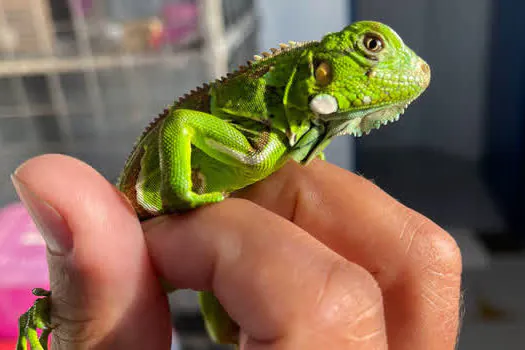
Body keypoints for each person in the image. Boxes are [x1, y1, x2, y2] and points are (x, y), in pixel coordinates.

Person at [11, 154, 462, 349]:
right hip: (151, 205)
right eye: (371, 49)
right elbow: (185, 125)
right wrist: (182, 189)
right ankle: (45, 312)